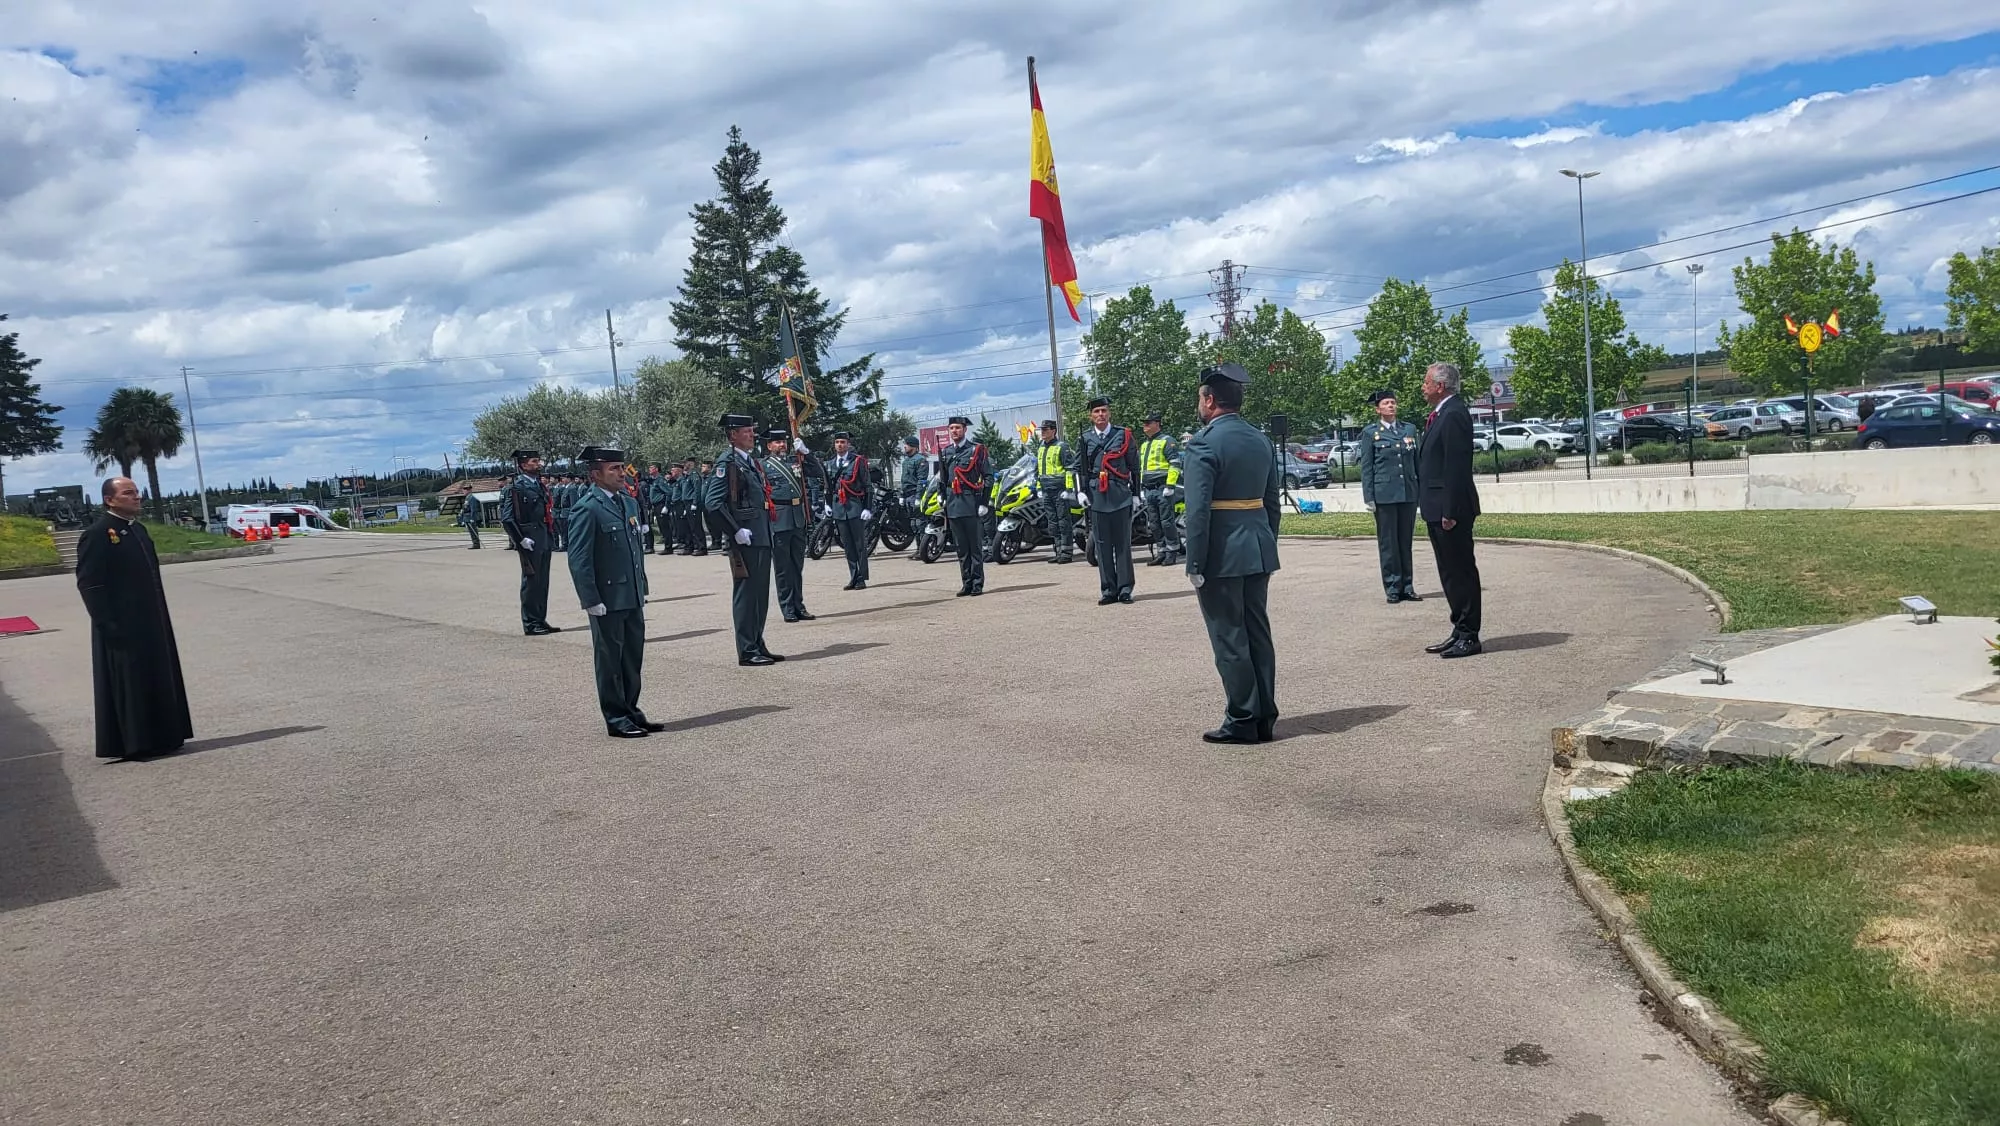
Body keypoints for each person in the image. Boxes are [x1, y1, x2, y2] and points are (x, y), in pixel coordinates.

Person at [1181, 364, 1281, 745]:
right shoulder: (1260, 440)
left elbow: (1197, 512)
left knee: (1229, 637)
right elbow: (1272, 502)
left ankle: (1242, 717)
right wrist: (1266, 542)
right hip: (1257, 548)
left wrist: (1195, 561)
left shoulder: (1203, 443)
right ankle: (1264, 715)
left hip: (1222, 553)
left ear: (1209, 400)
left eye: (1200, 399)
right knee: (1258, 632)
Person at [75, 477, 194, 759]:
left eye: (137, 492)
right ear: (110, 500)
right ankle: (136, 743)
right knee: (130, 682)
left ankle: (165, 735)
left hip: (151, 620)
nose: (136, 497)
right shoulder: (99, 533)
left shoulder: (138, 530)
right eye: (128, 493)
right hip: (121, 623)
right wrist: (106, 623)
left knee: (156, 676)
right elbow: (89, 582)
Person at [566, 447, 663, 739]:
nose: (622, 473)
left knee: (632, 657)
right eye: (614, 469)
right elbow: (580, 559)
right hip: (607, 598)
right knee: (610, 659)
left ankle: (631, 710)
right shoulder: (587, 507)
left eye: (622, 467)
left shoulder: (629, 504)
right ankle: (615, 717)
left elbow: (634, 553)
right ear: (595, 475)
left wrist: (640, 586)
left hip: (631, 594)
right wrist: (590, 599)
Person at [1417, 361, 1484, 658]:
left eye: (1426, 381)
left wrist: (1450, 510)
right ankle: (1459, 629)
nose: (1423, 386)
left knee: (1460, 572)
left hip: (1450, 509)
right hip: (1436, 506)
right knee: (1449, 573)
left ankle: (1469, 635)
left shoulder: (1454, 413)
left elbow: (1456, 467)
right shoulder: (1441, 413)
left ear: (1440, 386)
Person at [711, 415, 784, 666]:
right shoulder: (728, 462)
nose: (752, 435)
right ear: (732, 435)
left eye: (752, 431)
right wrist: (735, 531)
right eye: (746, 431)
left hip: (760, 534)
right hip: (746, 538)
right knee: (747, 594)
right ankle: (747, 649)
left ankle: (757, 641)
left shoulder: (748, 462)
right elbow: (712, 504)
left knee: (759, 594)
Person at [1358, 389, 1422, 604]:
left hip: (1408, 493)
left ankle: (1408, 585)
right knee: (1388, 543)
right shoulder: (1370, 433)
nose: (1391, 406)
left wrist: (1421, 491)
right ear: (1378, 409)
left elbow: (1417, 462)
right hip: (1384, 494)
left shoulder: (1409, 429)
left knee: (1405, 541)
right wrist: (1369, 496)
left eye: (1393, 402)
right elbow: (1367, 467)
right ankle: (1392, 586)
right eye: (1386, 403)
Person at [1078, 395, 1141, 604]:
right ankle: (1108, 589)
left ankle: (1125, 589)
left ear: (1109, 413)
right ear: (1091, 416)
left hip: (1120, 494)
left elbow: (1134, 466)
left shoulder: (1122, 435)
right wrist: (1081, 492)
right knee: (1102, 545)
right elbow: (1080, 469)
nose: (1101, 415)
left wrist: (1135, 494)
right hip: (1097, 496)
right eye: (1096, 412)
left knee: (1122, 544)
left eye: (1104, 411)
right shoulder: (1085, 438)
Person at [500, 450, 561, 636]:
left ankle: (540, 619)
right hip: (530, 540)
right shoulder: (515, 488)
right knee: (531, 583)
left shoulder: (539, 485)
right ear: (524, 465)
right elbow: (507, 518)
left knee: (542, 582)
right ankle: (530, 623)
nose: (539, 464)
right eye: (534, 461)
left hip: (543, 537)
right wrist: (520, 539)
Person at [762, 428, 817, 623]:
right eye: (776, 442)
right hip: (779, 519)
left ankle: (799, 605)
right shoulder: (763, 465)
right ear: (769, 446)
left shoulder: (797, 461)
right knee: (783, 568)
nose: (782, 445)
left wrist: (807, 453)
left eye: (783, 441)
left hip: (797, 517)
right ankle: (787, 608)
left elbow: (818, 472)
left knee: (797, 566)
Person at [936, 415, 989, 596]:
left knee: (975, 547)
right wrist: (941, 495)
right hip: (953, 503)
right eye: (951, 428)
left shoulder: (976, 450)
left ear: (965, 429)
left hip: (971, 502)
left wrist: (984, 502)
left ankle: (977, 583)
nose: (954, 431)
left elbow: (988, 477)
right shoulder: (945, 452)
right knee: (961, 548)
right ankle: (966, 583)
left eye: (958, 428)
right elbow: (942, 478)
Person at [828, 431, 873, 591]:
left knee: (859, 544)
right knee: (847, 545)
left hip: (855, 506)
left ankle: (861, 577)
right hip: (839, 508)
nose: (840, 445)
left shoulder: (857, 461)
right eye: (837, 442)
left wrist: (867, 507)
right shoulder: (831, 463)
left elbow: (867, 485)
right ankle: (853, 576)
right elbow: (829, 486)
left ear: (848, 444)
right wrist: (827, 504)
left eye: (843, 442)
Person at [1138, 410, 1182, 566]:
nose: (1145, 425)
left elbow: (1175, 464)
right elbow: (1142, 469)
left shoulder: (1167, 441)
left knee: (1167, 522)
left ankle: (1172, 552)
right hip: (1149, 489)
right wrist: (1141, 488)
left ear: (1157, 424)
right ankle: (1161, 551)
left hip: (1163, 487)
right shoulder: (1145, 444)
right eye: (1144, 423)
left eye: (1148, 423)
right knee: (1154, 523)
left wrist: (1170, 485)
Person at [1032, 419, 1075, 564]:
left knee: (1063, 521)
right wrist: (1038, 488)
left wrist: (1068, 489)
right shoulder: (1041, 447)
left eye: (1046, 429)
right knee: (1052, 523)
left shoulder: (1061, 446)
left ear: (1053, 431)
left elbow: (1070, 469)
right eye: (1042, 430)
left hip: (1059, 489)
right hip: (1046, 490)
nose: (1043, 432)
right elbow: (1038, 471)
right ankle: (1057, 551)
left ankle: (1066, 552)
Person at [898, 436, 928, 544]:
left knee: (920, 523)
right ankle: (918, 548)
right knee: (913, 523)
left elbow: (922, 480)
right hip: (907, 495)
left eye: (906, 444)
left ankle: (923, 548)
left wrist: (919, 497)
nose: (904, 447)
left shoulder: (920, 460)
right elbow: (903, 479)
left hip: (915, 494)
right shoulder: (906, 461)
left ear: (914, 446)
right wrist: (901, 495)